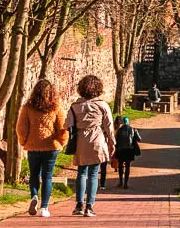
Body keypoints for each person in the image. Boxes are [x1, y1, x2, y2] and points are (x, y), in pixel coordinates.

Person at [16, 78, 68, 218]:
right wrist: (61, 142)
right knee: (47, 177)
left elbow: (21, 128)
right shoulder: (56, 107)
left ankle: (34, 196)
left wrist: (24, 141)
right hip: (51, 146)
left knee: (34, 174)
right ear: (52, 93)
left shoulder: (27, 107)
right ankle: (44, 207)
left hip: (33, 146)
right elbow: (62, 128)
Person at [66, 75, 115, 218]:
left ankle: (79, 205)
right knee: (94, 174)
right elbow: (109, 127)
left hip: (81, 141)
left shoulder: (74, 107)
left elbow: (67, 125)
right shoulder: (103, 105)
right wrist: (112, 143)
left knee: (81, 173)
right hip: (97, 140)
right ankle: (89, 206)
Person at [113, 116, 142, 189]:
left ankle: (120, 181)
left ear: (123, 122)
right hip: (130, 150)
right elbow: (139, 139)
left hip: (120, 150)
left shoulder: (119, 130)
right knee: (128, 166)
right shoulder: (133, 129)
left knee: (120, 166)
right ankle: (126, 183)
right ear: (128, 122)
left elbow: (115, 140)